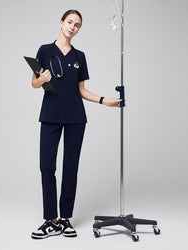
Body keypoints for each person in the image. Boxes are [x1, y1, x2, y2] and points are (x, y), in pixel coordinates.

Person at [31, 9, 122, 240]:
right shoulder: (44, 50)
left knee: (70, 169)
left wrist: (104, 101)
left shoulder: (79, 56)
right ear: (61, 22)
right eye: (70, 22)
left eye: (77, 25)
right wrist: (41, 80)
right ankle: (50, 220)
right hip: (50, 115)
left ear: (79, 29)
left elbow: (81, 90)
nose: (73, 27)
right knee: (46, 167)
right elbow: (34, 82)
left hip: (75, 119)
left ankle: (65, 219)